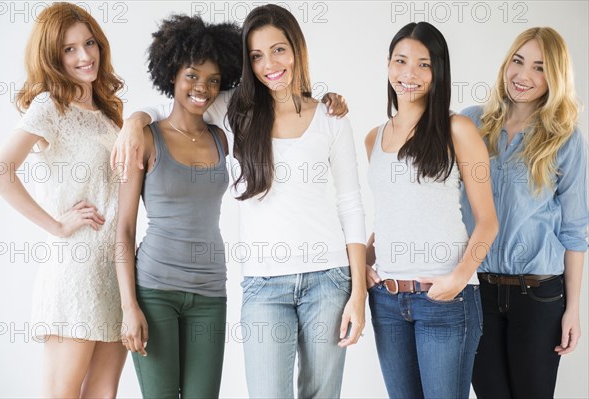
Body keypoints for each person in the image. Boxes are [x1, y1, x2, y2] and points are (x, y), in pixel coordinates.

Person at [226, 5, 367, 398]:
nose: (269, 64)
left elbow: (351, 206)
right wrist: (137, 120)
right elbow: (177, 103)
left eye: (278, 50)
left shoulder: (331, 117)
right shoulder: (233, 114)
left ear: (297, 49)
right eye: (256, 56)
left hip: (329, 281)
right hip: (263, 285)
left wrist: (358, 294)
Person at [0, 3, 126, 397]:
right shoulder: (50, 106)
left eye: (89, 43)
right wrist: (57, 225)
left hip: (115, 271)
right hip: (75, 273)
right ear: (52, 56)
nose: (85, 56)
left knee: (103, 394)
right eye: (69, 49)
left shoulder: (108, 113)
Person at [364, 22, 498, 399]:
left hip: (445, 300)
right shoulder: (375, 138)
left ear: (438, 71)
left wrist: (457, 280)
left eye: (423, 64)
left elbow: (487, 221)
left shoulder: (457, 129)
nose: (409, 74)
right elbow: (392, 216)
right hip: (388, 303)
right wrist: (365, 261)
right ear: (388, 65)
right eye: (400, 61)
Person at [114, 15, 242, 398]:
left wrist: (324, 101)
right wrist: (128, 307)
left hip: (210, 292)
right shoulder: (145, 138)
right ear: (172, 73)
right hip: (154, 291)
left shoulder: (223, 138)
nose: (201, 87)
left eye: (213, 80)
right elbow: (123, 229)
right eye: (191, 75)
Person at [459, 27, 588, 398]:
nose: (523, 76)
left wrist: (573, 309)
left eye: (539, 67)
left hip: (540, 296)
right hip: (478, 292)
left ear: (555, 78)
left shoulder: (565, 139)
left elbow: (575, 231)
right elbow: (427, 179)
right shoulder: (471, 124)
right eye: (518, 61)